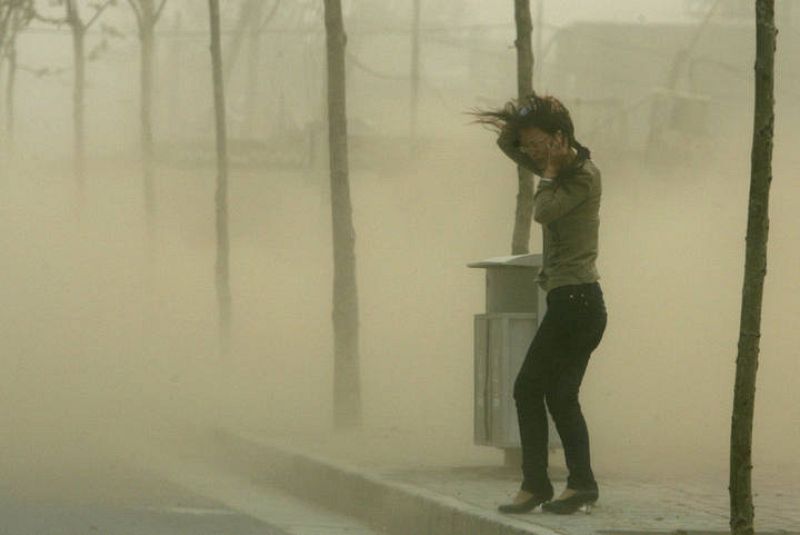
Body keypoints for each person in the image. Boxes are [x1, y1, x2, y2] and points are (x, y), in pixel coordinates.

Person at [473, 93, 608, 515]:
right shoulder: (558, 168)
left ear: (560, 138)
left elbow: (544, 212)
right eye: (529, 145)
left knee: (528, 388)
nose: (531, 152)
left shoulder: (581, 176)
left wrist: (548, 170)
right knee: (561, 396)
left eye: (539, 143)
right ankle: (580, 484)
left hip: (577, 302)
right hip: (573, 302)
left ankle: (536, 485)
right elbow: (506, 145)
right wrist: (525, 119)